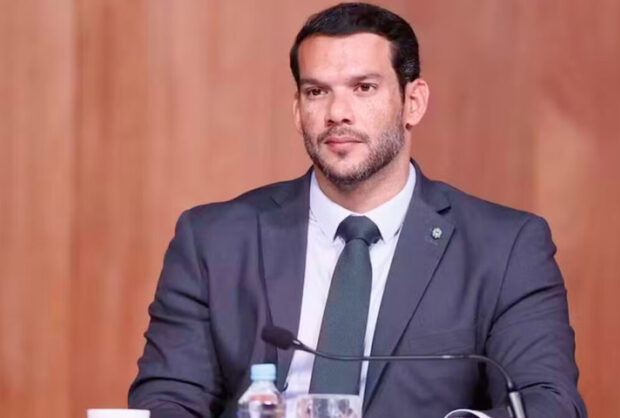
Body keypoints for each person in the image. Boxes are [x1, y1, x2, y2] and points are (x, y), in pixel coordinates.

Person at [129, 3, 587, 418]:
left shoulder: (504, 249)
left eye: (364, 88)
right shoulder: (214, 241)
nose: (337, 113)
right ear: (297, 110)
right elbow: (167, 399)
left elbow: (549, 402)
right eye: (316, 92)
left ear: (413, 102)